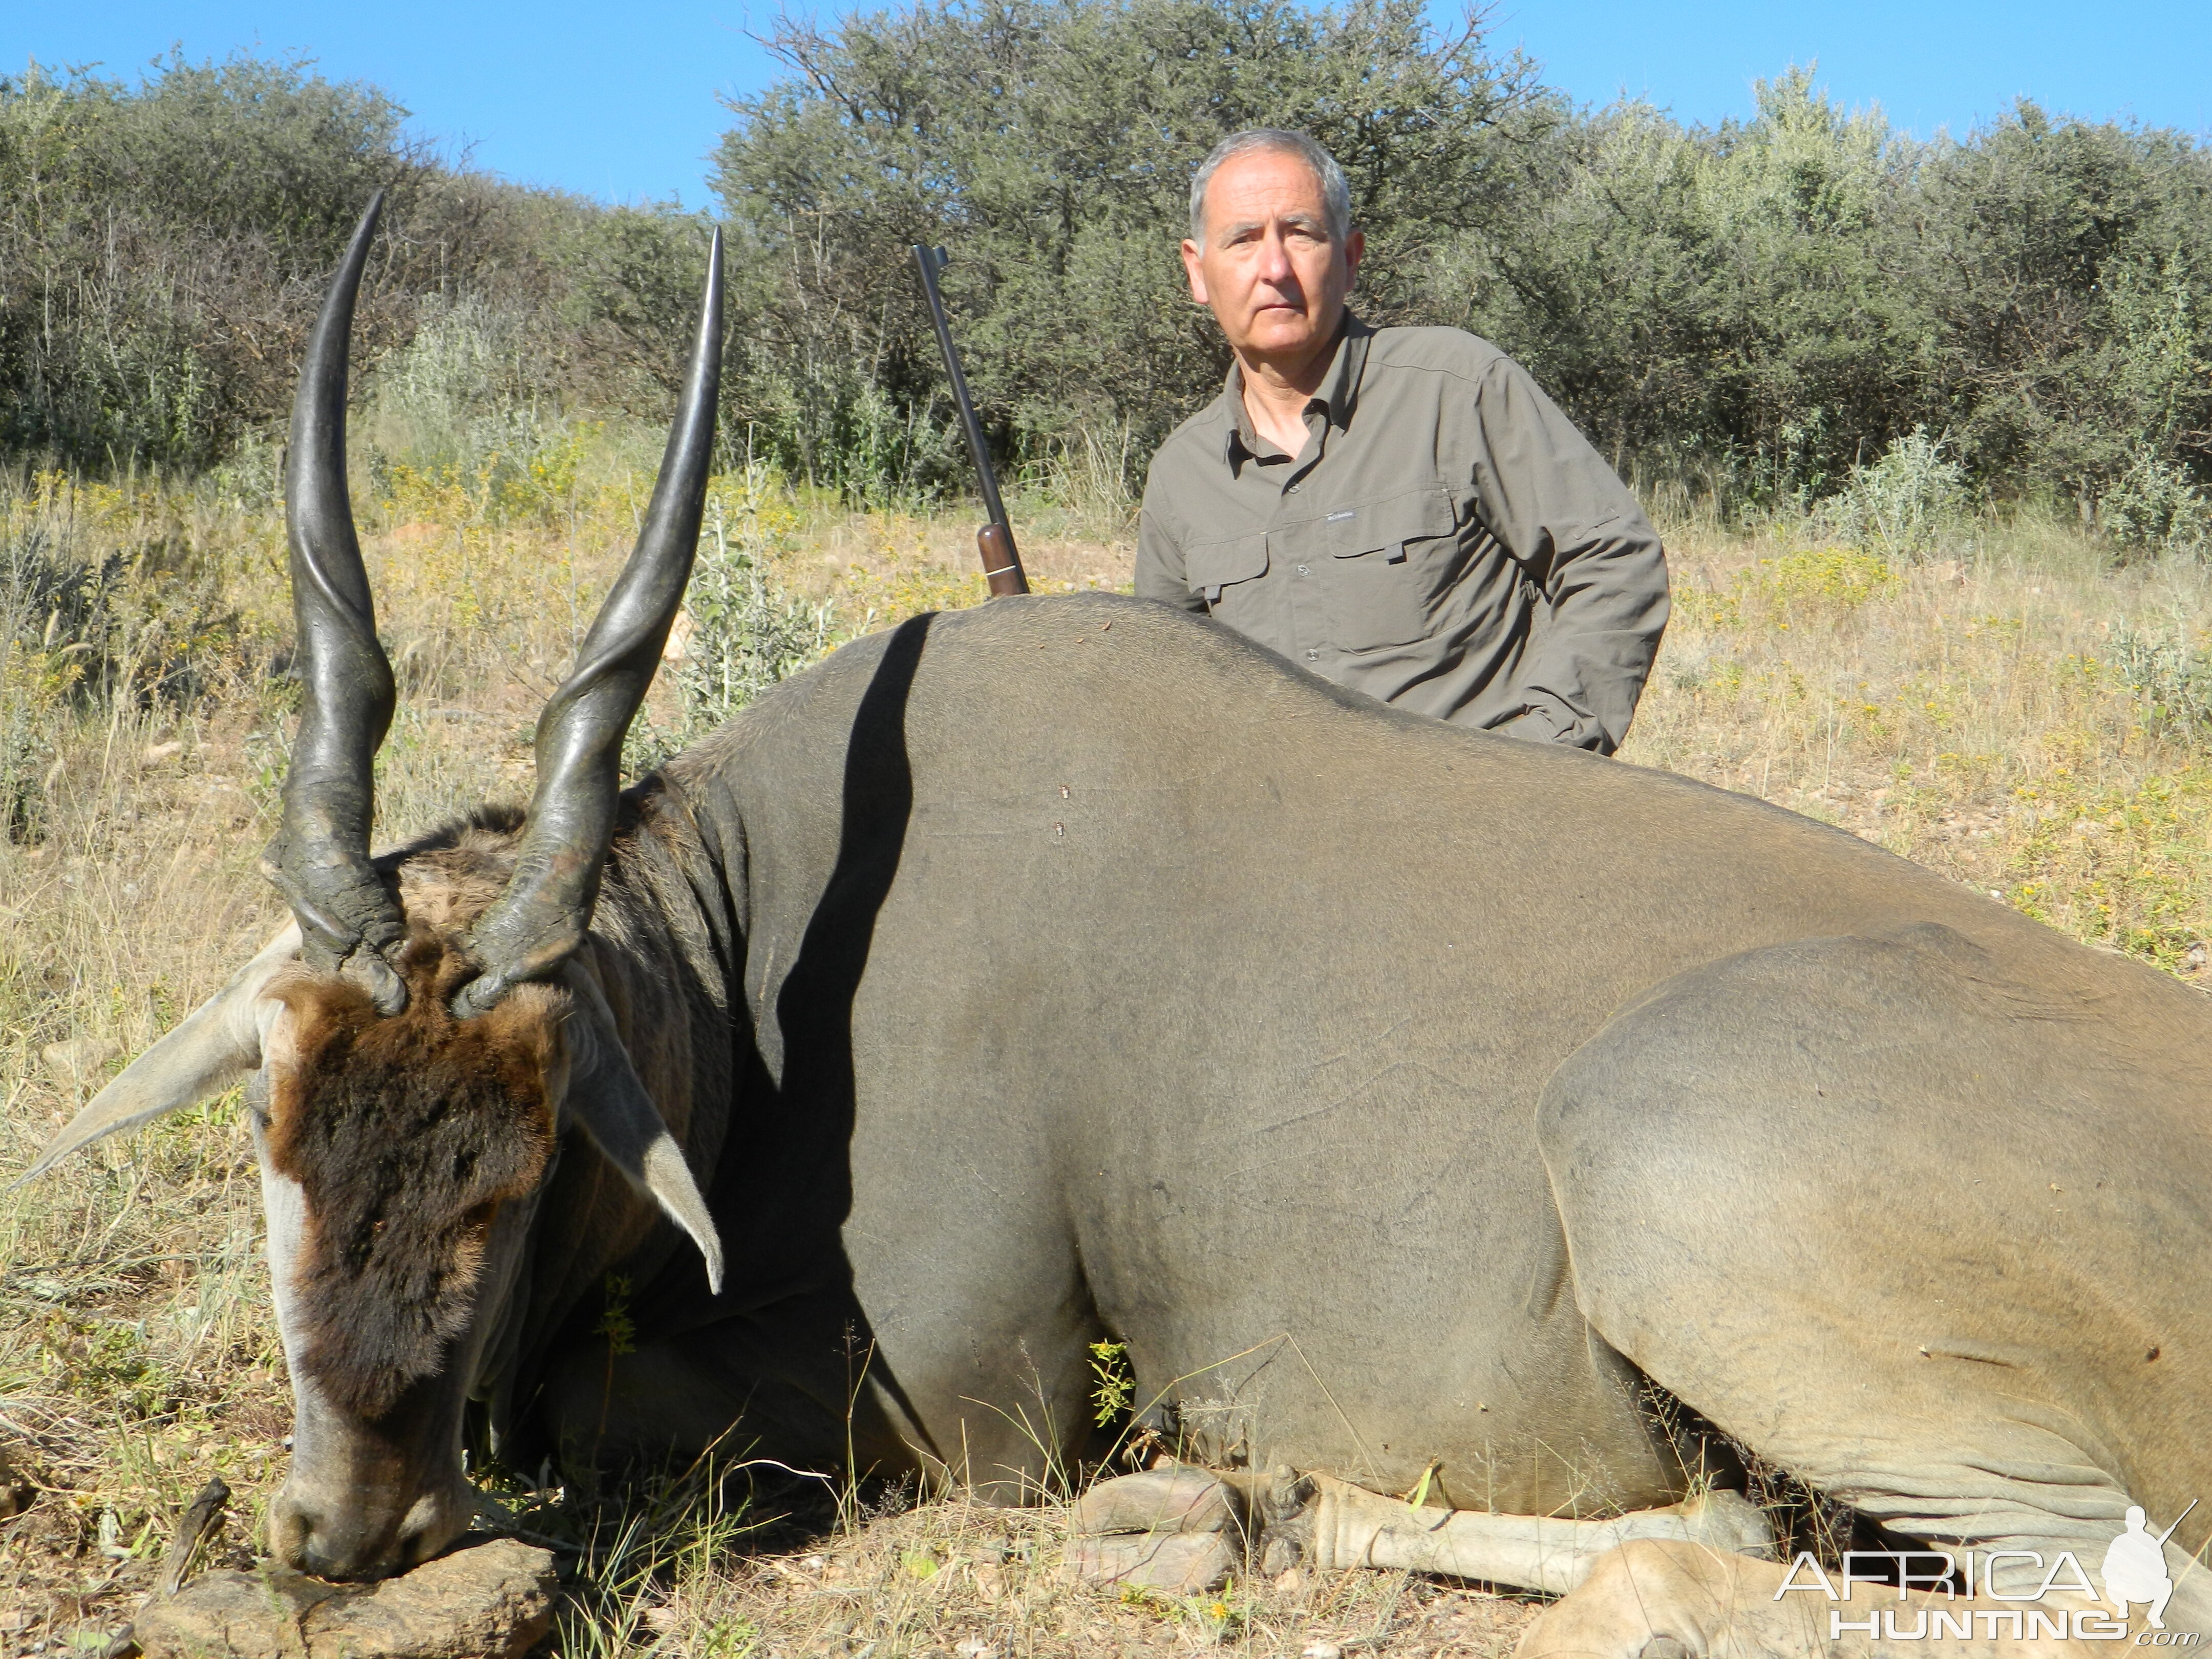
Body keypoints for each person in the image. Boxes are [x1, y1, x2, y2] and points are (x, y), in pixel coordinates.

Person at [1135, 129, 1669, 755]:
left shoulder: (1457, 387)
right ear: (1198, 272)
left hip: (1482, 822)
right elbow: (1167, 688)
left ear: (1351, 256)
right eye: (1244, 239)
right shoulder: (1181, 476)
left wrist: (1541, 759)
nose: (1274, 268)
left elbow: (1613, 560)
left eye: (1301, 233)